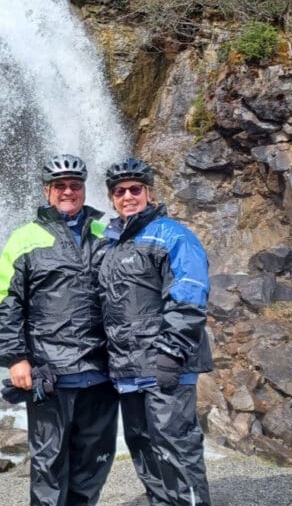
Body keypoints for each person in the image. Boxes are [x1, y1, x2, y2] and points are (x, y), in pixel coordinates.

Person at [0, 154, 119, 506]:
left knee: (94, 462)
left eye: (75, 186)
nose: (67, 191)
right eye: (59, 185)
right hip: (51, 373)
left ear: (83, 190)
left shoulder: (105, 234)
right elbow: (6, 300)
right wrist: (16, 358)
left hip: (101, 372)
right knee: (48, 463)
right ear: (47, 191)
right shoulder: (25, 238)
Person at [98, 158, 214, 506]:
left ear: (149, 192)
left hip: (166, 364)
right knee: (144, 448)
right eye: (120, 191)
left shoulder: (172, 235)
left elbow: (189, 294)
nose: (128, 196)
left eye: (135, 189)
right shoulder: (111, 246)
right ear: (111, 198)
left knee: (176, 445)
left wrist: (171, 352)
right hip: (127, 368)